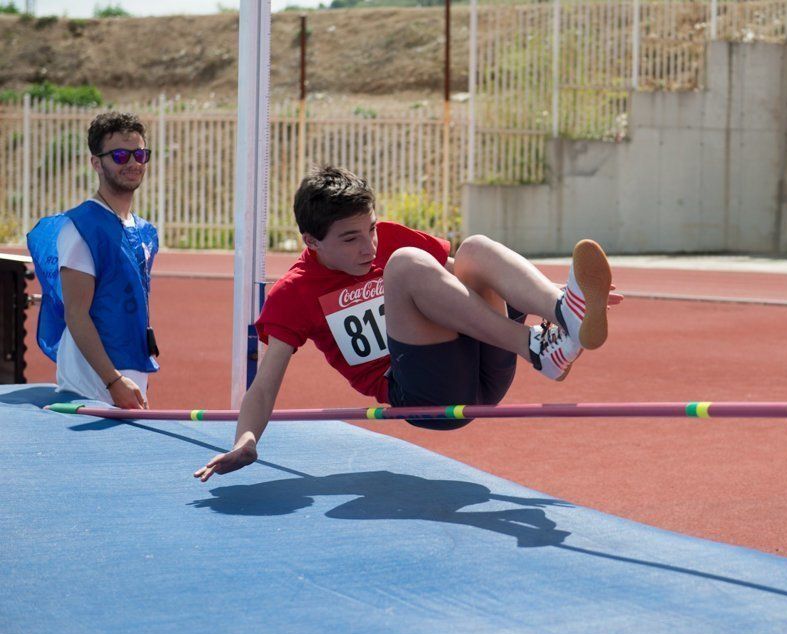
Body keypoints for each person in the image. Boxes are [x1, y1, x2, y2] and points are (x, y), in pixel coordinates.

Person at [194, 166, 619, 482]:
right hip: (424, 395)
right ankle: (537, 347)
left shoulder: (390, 239)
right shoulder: (294, 292)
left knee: (473, 249)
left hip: (483, 365)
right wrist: (246, 439)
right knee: (405, 265)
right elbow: (265, 383)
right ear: (311, 241)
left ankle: (564, 313)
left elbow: (467, 280)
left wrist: (552, 296)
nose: (369, 246)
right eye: (351, 238)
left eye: (372, 229)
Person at [26, 111, 159, 409]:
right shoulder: (82, 227)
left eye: (140, 153)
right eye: (121, 155)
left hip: (128, 377)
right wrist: (112, 380)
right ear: (96, 163)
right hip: (93, 385)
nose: (134, 163)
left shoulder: (145, 231)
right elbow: (76, 314)